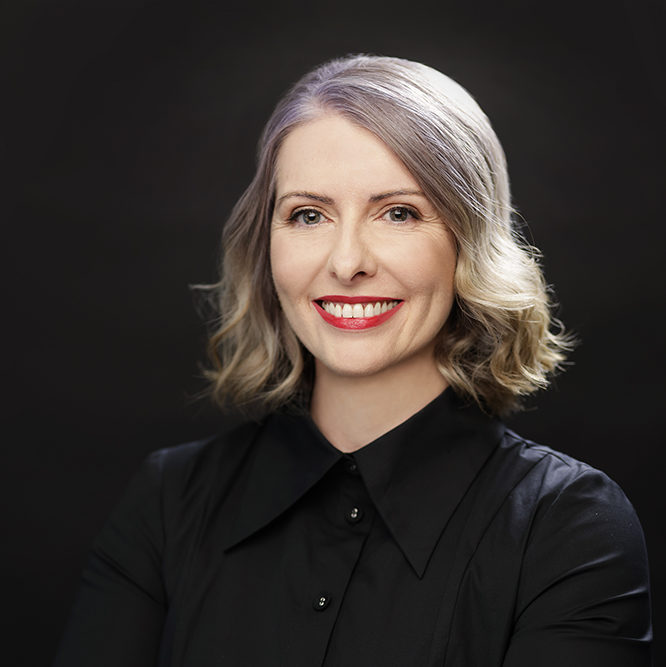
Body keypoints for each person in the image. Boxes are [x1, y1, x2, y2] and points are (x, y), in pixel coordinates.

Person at [53, 55, 652, 666]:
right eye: (308, 215)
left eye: (399, 213)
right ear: (267, 246)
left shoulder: (568, 526)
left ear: (468, 243)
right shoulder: (169, 501)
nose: (346, 263)